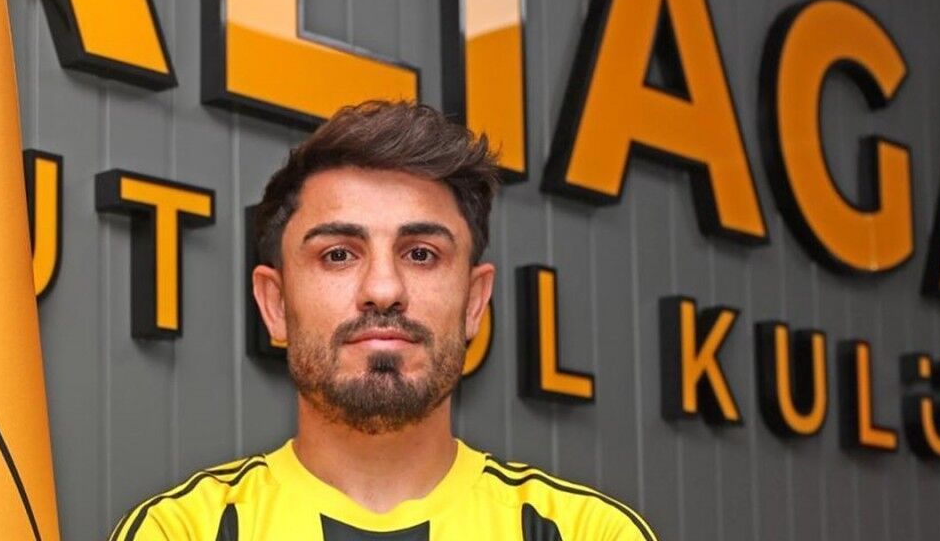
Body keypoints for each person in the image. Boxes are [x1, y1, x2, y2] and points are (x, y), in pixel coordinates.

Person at [108, 101, 657, 540]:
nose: (383, 290)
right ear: (274, 304)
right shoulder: (183, 531)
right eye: (338, 255)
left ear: (474, 301)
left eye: (420, 253)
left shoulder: (588, 532)